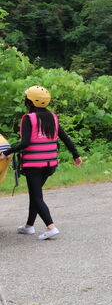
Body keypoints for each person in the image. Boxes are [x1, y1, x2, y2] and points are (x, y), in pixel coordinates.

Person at [0, 86, 82, 240]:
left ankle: (51, 227)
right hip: (50, 164)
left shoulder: (28, 118)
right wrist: (75, 155)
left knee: (37, 196)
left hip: (34, 164)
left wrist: (6, 152)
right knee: (35, 193)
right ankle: (29, 226)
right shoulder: (52, 117)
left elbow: (25, 143)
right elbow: (65, 138)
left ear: (30, 102)